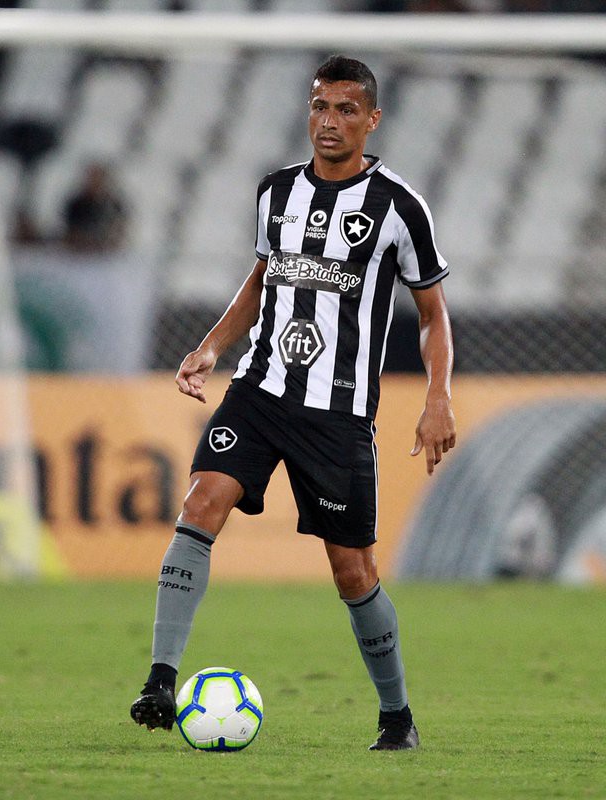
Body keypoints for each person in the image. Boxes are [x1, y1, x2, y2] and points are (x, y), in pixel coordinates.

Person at [128, 55, 456, 752]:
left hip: (337, 415)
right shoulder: (276, 192)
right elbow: (262, 279)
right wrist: (212, 346)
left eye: (344, 110)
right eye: (318, 107)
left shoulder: (399, 207)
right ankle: (160, 679)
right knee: (200, 503)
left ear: (371, 119)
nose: (328, 123)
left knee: (352, 571)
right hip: (259, 390)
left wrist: (438, 397)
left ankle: (397, 716)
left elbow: (432, 313)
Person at [62, 162, 127, 252]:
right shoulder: (76, 205)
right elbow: (71, 235)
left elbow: (119, 234)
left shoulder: (114, 205)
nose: (95, 182)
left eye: (98, 178)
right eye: (92, 178)